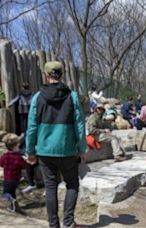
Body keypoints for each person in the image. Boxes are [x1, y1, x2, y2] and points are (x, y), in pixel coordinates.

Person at [25, 61, 87, 228]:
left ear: (46, 75)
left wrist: (30, 151)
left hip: (45, 151)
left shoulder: (37, 97)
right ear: (62, 75)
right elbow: (80, 124)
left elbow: (31, 127)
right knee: (72, 184)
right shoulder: (72, 96)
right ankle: (68, 223)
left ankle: (54, 225)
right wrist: (82, 149)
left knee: (50, 187)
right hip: (67, 150)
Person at [0, 133, 26, 212]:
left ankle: (11, 200)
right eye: (18, 146)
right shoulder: (18, 157)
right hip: (16, 179)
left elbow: (1, 164)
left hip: (8, 179)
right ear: (15, 147)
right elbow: (23, 166)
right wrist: (24, 159)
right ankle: (13, 206)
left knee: (5, 193)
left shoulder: (5, 156)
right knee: (12, 192)